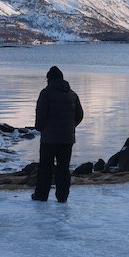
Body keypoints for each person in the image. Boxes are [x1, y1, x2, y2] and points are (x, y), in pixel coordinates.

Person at [33, 66, 84, 202]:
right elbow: (80, 115)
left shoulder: (46, 93)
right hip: (67, 139)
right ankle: (62, 197)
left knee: (45, 168)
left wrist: (39, 128)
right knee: (63, 168)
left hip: (49, 139)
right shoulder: (72, 94)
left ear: (49, 78)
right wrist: (70, 127)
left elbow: (41, 114)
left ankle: (41, 196)